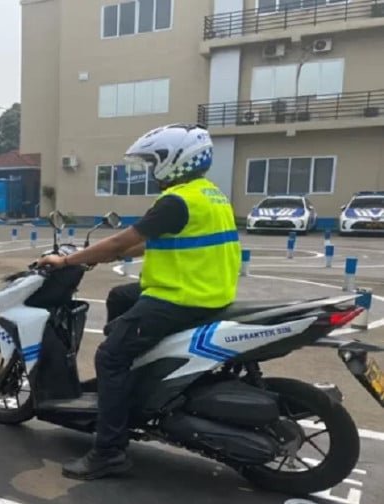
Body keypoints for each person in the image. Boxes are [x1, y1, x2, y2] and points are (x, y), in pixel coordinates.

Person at [37, 123, 241, 480]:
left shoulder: (176, 201)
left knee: (110, 356)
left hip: (181, 297)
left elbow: (119, 242)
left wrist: (69, 260)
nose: (150, 169)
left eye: (153, 161)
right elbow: (149, 242)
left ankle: (109, 450)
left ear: (174, 160)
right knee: (120, 295)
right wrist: (100, 256)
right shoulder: (209, 195)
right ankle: (130, 381)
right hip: (208, 291)